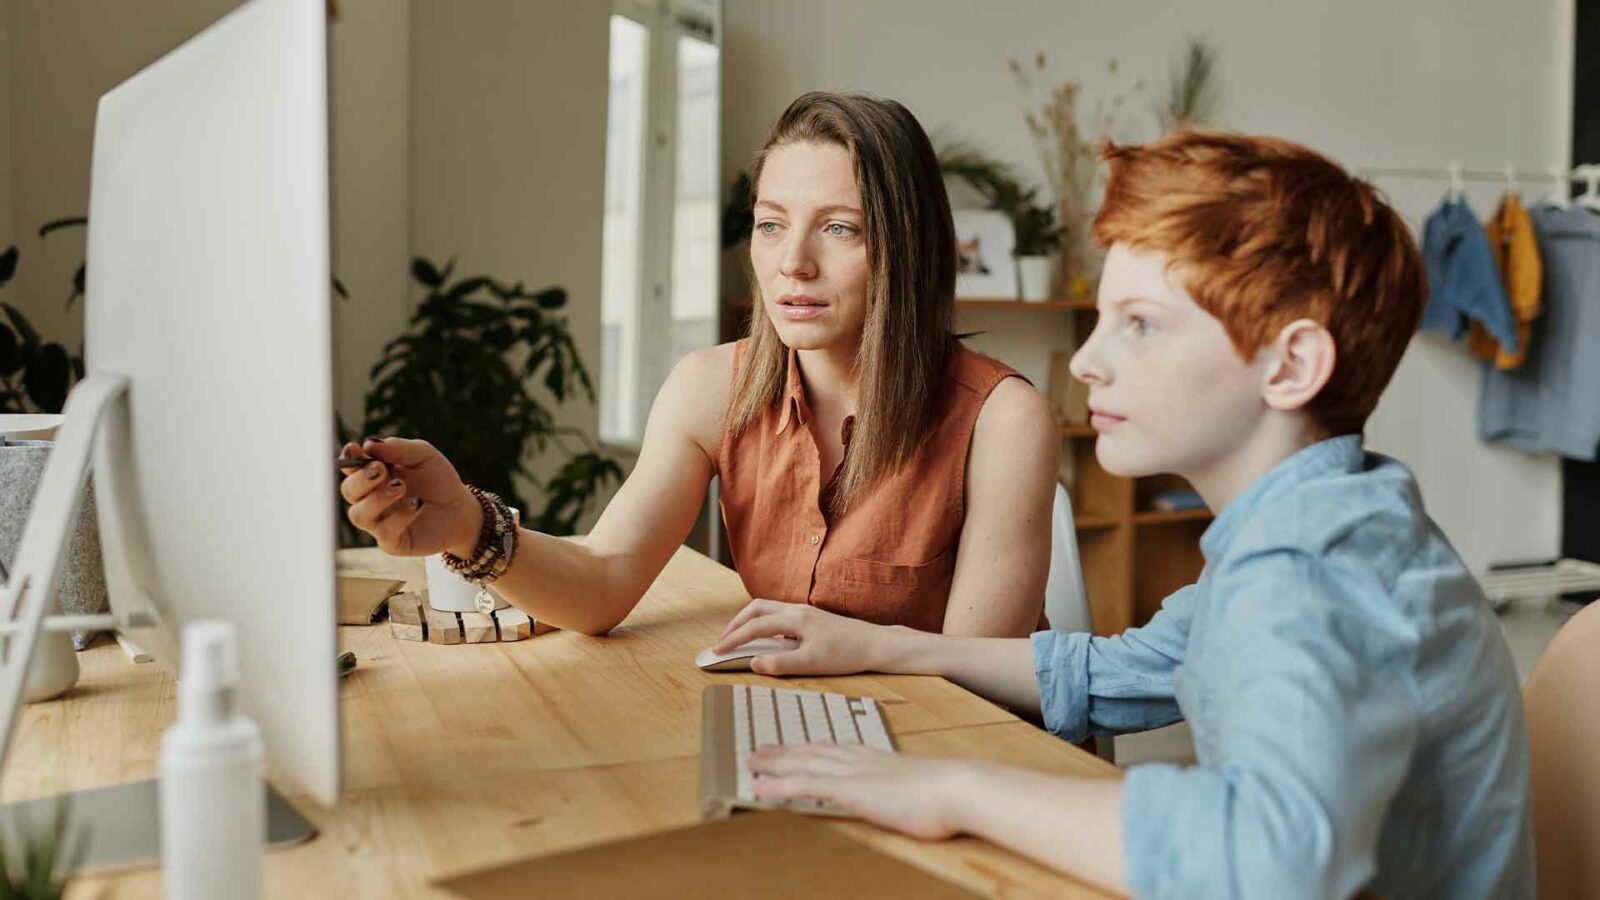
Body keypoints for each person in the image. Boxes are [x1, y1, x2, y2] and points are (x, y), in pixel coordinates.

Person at [715, 130, 1535, 898]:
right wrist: (879, 646)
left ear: (1291, 366)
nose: (1087, 360)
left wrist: (954, 787)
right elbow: (1120, 671)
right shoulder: (1327, 520)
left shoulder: (1311, 571)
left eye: (1139, 325)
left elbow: (1272, 858)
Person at [338, 91, 1059, 638]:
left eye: (840, 229)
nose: (792, 264)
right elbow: (603, 581)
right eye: (771, 224)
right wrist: (467, 523)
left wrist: (839, 651)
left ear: (908, 248)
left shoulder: (1003, 420)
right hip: (803, 732)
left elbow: (979, 683)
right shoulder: (711, 387)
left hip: (952, 757)